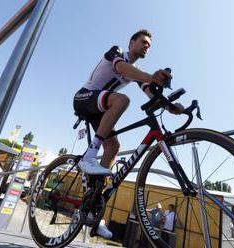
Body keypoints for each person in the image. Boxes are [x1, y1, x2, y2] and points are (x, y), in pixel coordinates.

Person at [73, 29, 184, 238]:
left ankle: (95, 207)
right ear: (131, 42)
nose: (146, 46)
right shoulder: (117, 52)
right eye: (143, 42)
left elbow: (150, 91)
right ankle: (89, 156)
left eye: (149, 45)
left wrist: (171, 107)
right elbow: (122, 68)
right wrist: (151, 77)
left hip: (101, 108)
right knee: (122, 100)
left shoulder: (136, 72)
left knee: (114, 147)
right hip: (84, 97)